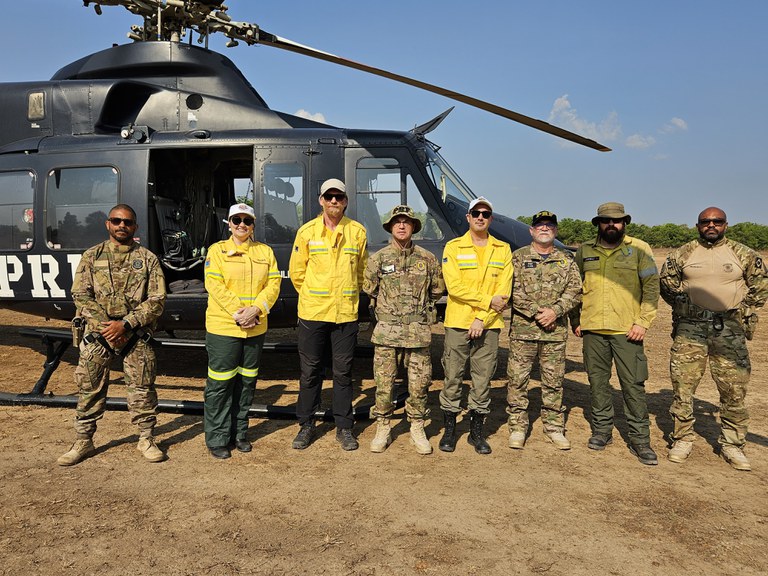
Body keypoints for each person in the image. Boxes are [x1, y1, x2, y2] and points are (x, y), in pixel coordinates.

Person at [660, 207, 768, 471]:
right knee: (683, 389)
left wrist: (741, 308)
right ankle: (682, 438)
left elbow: (761, 284)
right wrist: (684, 306)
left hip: (728, 329)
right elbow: (666, 284)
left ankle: (732, 444)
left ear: (725, 225)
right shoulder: (682, 253)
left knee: (734, 390)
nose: (711, 225)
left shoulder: (743, 253)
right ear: (697, 226)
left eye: (716, 221)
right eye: (705, 221)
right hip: (690, 330)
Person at [58, 204, 167, 466]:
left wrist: (126, 325)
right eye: (116, 221)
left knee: (142, 389)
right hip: (100, 334)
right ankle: (83, 441)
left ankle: (146, 438)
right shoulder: (92, 256)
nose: (122, 226)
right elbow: (81, 296)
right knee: (89, 387)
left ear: (135, 227)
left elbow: (157, 299)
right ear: (108, 224)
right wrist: (109, 326)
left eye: (127, 222)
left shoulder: (148, 259)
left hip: (135, 335)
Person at [570, 202, 660, 465]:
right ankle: (602, 431)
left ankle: (640, 439)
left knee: (633, 386)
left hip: (627, 331)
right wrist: (576, 320)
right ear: (598, 223)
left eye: (617, 221)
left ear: (624, 223)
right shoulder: (585, 251)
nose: (612, 225)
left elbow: (651, 288)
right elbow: (575, 289)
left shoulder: (639, 249)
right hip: (593, 330)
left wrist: (643, 322)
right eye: (606, 221)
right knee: (598, 384)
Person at [289, 178, 368, 451]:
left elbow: (361, 273)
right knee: (310, 372)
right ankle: (306, 425)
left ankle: (344, 427)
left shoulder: (357, 232)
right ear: (320, 200)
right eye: (329, 196)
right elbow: (298, 274)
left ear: (346, 201)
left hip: (345, 314)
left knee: (343, 373)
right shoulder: (307, 232)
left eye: (339, 197)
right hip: (313, 313)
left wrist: (346, 297)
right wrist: (315, 297)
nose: (334, 201)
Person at [363, 205, 445, 454]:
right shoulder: (378, 258)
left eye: (406, 222)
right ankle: (384, 426)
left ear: (413, 227)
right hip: (387, 333)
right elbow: (370, 289)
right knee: (384, 383)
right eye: (397, 222)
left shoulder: (427, 259)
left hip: (417, 332)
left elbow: (437, 290)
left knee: (419, 384)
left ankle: (417, 426)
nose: (401, 225)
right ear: (390, 227)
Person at [203, 203, 281, 459]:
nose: (241, 225)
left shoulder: (265, 252)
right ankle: (217, 438)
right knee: (220, 384)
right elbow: (214, 284)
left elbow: (273, 284)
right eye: (236, 220)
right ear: (229, 223)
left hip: (255, 327)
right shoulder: (217, 251)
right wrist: (240, 313)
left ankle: (239, 434)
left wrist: (256, 309)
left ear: (253, 225)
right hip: (224, 327)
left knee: (247, 383)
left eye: (247, 221)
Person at [439, 197, 512, 454]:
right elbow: (455, 287)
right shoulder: (453, 247)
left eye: (486, 213)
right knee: (452, 376)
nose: (480, 217)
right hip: (458, 322)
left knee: (483, 379)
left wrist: (481, 317)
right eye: (476, 213)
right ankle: (449, 431)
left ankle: (476, 433)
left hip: (489, 324)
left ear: (491, 219)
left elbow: (503, 291)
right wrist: (484, 305)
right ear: (468, 217)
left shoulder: (502, 249)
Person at [506, 211, 582, 450]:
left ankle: (553, 427)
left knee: (553, 381)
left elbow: (575, 291)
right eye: (540, 225)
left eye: (550, 225)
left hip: (554, 333)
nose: (545, 229)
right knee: (517, 380)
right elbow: (511, 290)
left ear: (556, 231)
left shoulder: (567, 259)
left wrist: (555, 312)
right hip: (523, 332)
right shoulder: (517, 258)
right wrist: (539, 312)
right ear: (531, 231)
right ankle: (518, 427)